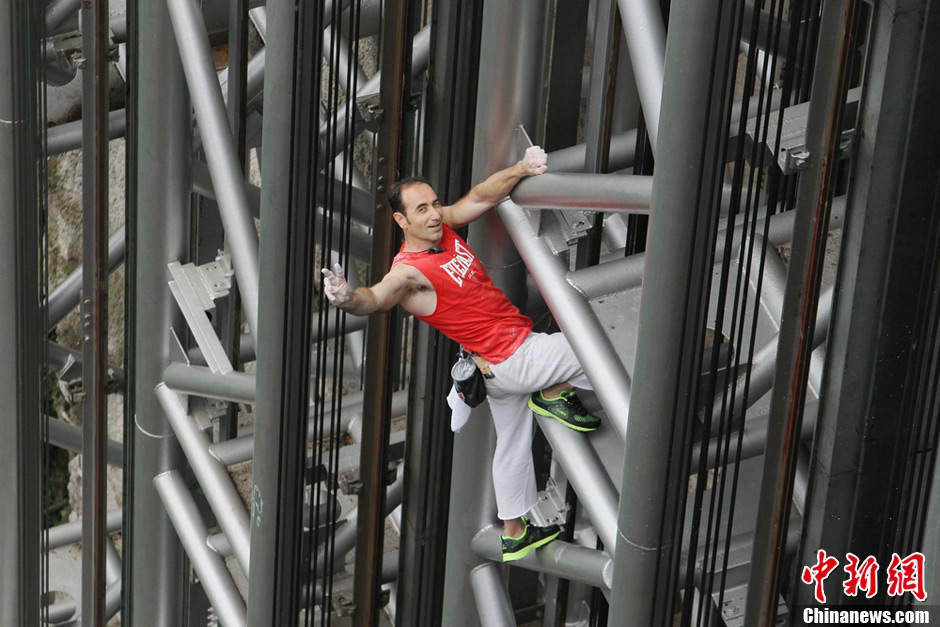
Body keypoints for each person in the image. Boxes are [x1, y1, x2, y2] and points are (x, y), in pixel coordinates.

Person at [322, 146, 601, 562]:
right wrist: (346, 298)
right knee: (599, 346)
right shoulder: (408, 273)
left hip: (494, 369)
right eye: (422, 209)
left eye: (435, 203)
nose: (434, 213)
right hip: (515, 358)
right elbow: (376, 299)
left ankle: (514, 530)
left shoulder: (442, 229)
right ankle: (555, 391)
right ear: (401, 220)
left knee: (510, 441)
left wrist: (522, 167)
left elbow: (482, 196)